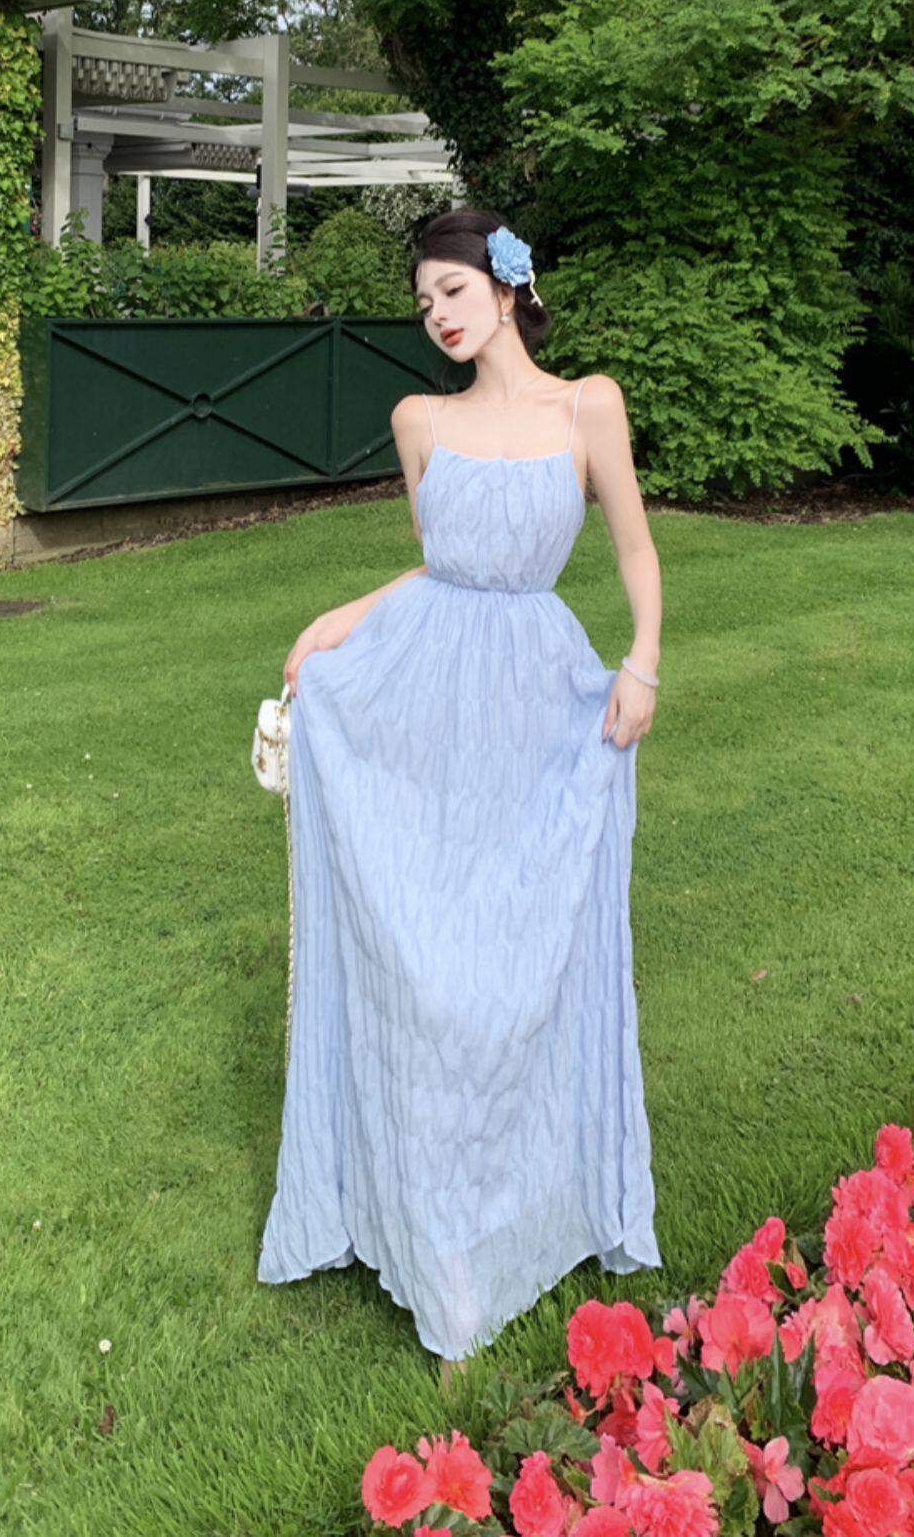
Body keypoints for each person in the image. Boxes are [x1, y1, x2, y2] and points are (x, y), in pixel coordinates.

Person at [256, 209, 663, 1382]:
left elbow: (635, 548)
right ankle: (433, 1240)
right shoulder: (419, 421)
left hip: (539, 709)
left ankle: (520, 1207)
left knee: (513, 965)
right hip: (427, 702)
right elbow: (439, 566)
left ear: (507, 285)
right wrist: (341, 620)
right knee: (426, 971)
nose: (437, 314)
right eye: (424, 299)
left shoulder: (588, 407)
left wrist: (643, 660)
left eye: (452, 289)